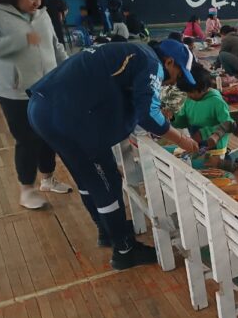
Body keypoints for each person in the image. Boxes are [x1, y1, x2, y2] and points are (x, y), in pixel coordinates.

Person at [26, 40, 200, 270]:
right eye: (179, 74)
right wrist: (182, 140)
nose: (175, 81)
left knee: (86, 176)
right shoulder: (152, 64)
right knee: (106, 180)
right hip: (67, 115)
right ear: (169, 62)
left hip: (42, 107)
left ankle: (106, 231)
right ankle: (124, 249)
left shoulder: (135, 50)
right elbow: (148, 115)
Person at [0, 0, 72, 210]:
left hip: (45, 86)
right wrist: (21, 40)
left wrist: (67, 70)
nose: (37, 3)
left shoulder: (42, 14)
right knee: (26, 139)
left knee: (47, 134)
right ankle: (27, 190)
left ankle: (48, 179)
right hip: (13, 90)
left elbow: (55, 45)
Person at [167, 64, 235, 151]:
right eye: (186, 92)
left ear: (203, 88)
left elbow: (229, 124)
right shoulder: (188, 100)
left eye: (191, 92)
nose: (188, 95)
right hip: (196, 144)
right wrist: (172, 117)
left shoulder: (216, 102)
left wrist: (205, 133)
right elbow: (183, 123)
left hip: (215, 149)